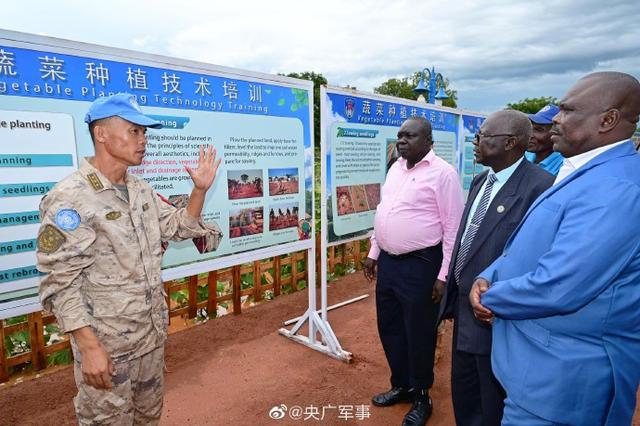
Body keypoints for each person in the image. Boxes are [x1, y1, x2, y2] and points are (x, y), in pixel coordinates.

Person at [37, 93, 222, 425]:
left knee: (147, 418)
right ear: (102, 134)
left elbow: (180, 227)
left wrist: (199, 191)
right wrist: (89, 348)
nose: (143, 140)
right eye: (134, 131)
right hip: (108, 349)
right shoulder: (69, 198)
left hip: (149, 341)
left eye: (144, 133)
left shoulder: (141, 191)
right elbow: (58, 282)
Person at [470, 72, 640, 425]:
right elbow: (527, 245)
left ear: (607, 120)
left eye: (567, 110)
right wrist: (489, 274)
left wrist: (491, 296)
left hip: (562, 384)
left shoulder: (617, 189)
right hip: (538, 369)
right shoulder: (585, 170)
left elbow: (560, 285)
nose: (555, 121)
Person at [438, 110, 553, 426]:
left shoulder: (541, 187)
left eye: (482, 137)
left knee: (492, 403)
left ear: (510, 142)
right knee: (465, 396)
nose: (475, 143)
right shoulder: (480, 180)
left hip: (497, 317)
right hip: (464, 312)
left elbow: (537, 257)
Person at [363, 116, 464, 426]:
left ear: (428, 142)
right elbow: (385, 213)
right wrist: (373, 252)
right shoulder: (395, 169)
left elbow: (452, 227)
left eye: (409, 136)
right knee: (390, 326)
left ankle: (422, 395)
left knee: (418, 332)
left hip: (422, 265)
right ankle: (402, 385)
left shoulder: (443, 174)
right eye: (400, 136)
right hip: (390, 264)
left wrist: (443, 275)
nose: (402, 141)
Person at [524, 104, 564, 175]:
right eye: (530, 128)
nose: (530, 135)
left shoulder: (564, 164)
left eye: (539, 130)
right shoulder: (524, 155)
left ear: (557, 133)